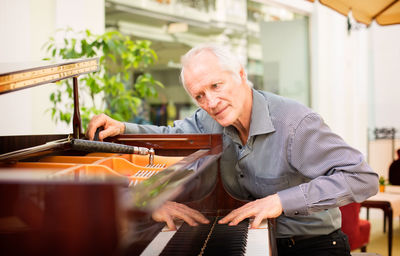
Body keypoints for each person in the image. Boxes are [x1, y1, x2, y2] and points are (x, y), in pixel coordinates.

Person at [87, 44, 378, 255]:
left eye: (216, 85)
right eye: (199, 95)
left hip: (311, 246)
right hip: (256, 237)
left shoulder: (295, 124)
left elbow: (363, 178)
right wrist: (124, 129)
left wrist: (280, 201)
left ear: (240, 74)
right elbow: (172, 137)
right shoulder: (206, 121)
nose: (211, 102)